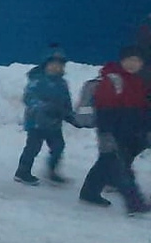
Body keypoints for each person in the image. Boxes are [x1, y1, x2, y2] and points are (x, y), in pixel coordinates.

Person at [78, 46, 150, 217]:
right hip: (109, 131)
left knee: (105, 162)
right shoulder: (113, 80)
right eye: (129, 60)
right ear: (122, 61)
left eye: (137, 61)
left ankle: (89, 193)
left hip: (127, 132)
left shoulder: (137, 81)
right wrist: (107, 133)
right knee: (121, 167)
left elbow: (141, 109)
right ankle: (134, 203)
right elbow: (105, 109)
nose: (132, 64)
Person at [13, 46, 73, 186]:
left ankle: (52, 170)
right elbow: (29, 99)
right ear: (45, 64)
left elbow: (66, 101)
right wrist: (45, 107)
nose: (56, 68)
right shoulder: (37, 80)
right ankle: (22, 172)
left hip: (54, 122)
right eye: (52, 64)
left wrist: (68, 114)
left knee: (58, 146)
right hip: (37, 122)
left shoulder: (62, 83)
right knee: (33, 148)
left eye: (59, 65)